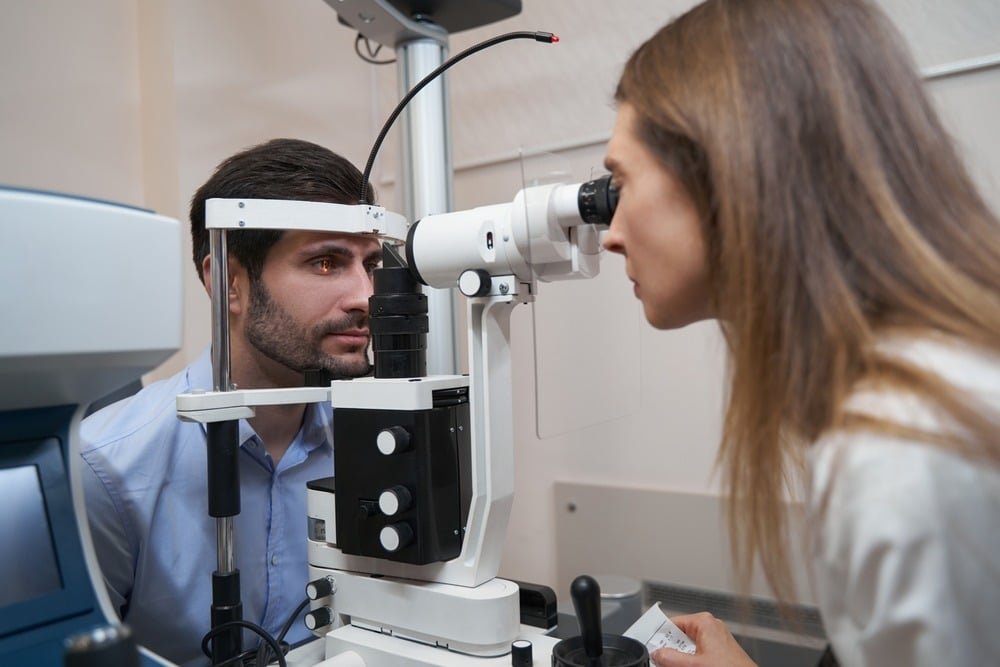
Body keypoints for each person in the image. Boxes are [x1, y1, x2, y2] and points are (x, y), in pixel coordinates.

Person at [600, 1, 1000, 665]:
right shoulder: (924, 385)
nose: (611, 234)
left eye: (623, 181)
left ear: (727, 171)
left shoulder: (900, 451)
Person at [80, 138, 383, 665]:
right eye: (327, 263)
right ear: (228, 283)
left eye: (371, 264)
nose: (366, 296)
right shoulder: (106, 469)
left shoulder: (379, 442)